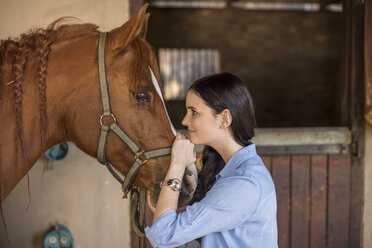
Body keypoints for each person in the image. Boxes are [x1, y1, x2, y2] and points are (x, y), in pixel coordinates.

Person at [145, 72, 278, 248]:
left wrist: (177, 164)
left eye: (194, 112)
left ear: (224, 119)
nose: (185, 120)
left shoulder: (244, 183)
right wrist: (165, 211)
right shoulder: (227, 170)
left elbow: (163, 237)